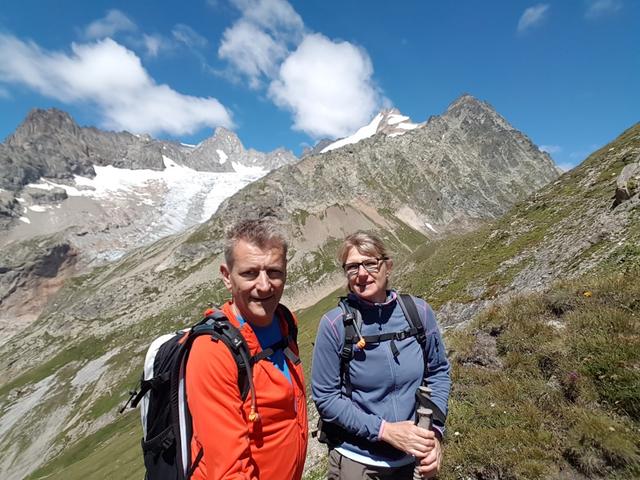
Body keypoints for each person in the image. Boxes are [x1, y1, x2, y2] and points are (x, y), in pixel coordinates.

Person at [312, 231, 451, 479]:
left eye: (370, 263)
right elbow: (326, 398)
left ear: (388, 266)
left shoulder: (418, 312)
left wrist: (436, 433)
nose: (362, 274)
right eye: (352, 267)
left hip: (414, 459)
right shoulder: (333, 325)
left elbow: (439, 372)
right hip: (358, 460)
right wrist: (385, 431)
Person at [185, 219, 308, 479]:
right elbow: (230, 471)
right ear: (227, 277)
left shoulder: (286, 322)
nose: (264, 285)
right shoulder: (213, 350)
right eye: (250, 273)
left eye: (274, 272)